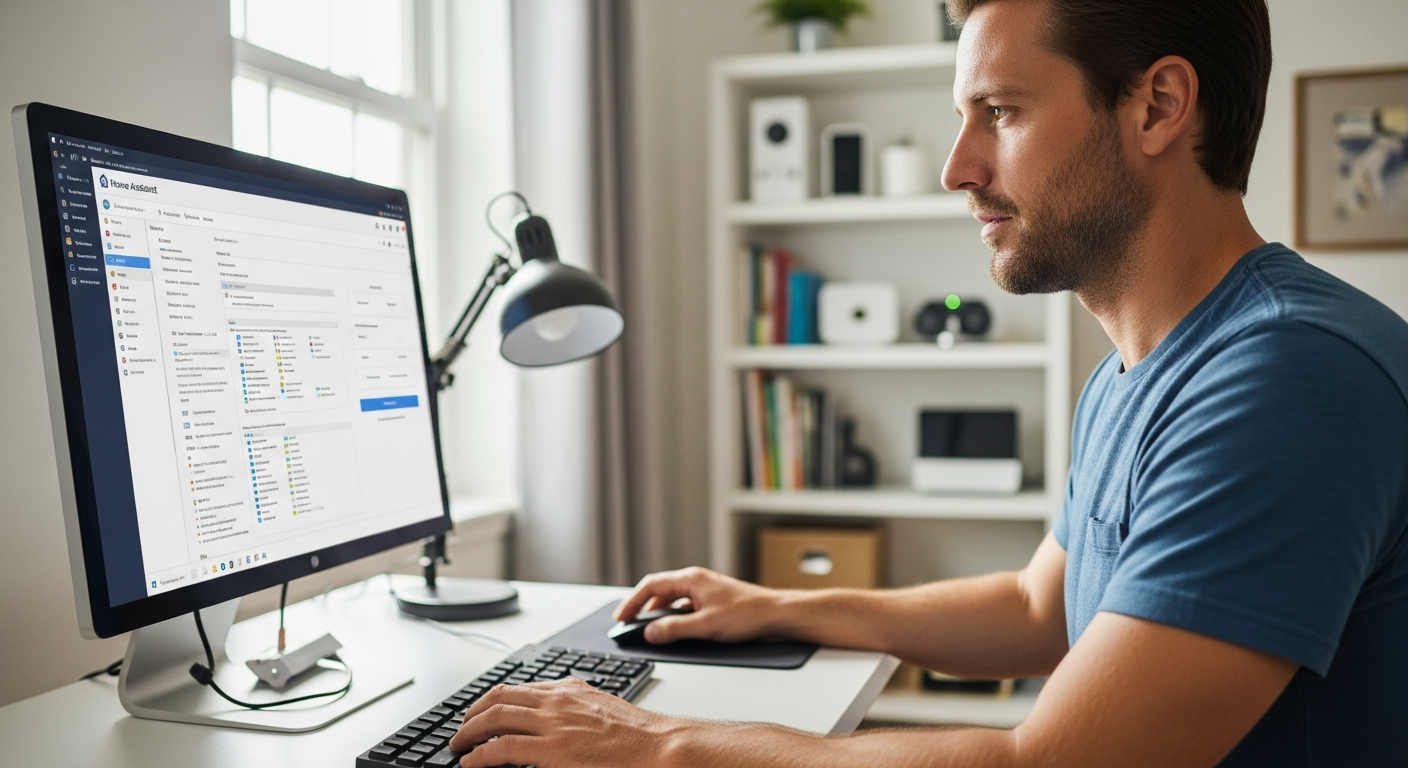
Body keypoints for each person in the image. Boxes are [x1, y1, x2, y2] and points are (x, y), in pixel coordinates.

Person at [449, 0, 1408, 765]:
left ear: (1157, 105)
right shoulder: (1136, 372)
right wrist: (783, 605)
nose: (958, 167)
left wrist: (667, 746)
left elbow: (1050, 762)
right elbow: (1039, 609)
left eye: (1002, 113)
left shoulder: (1287, 376)